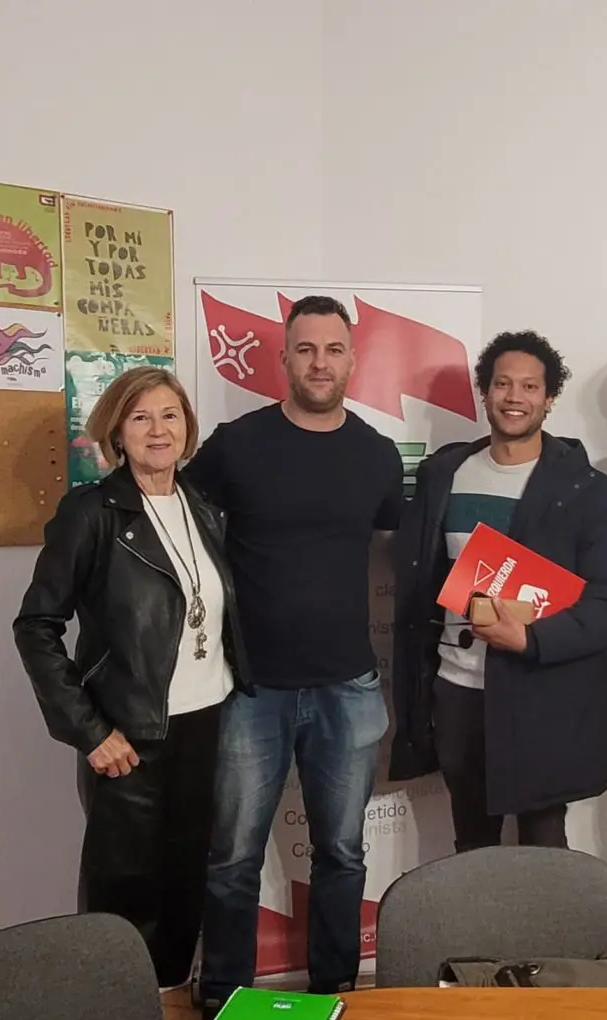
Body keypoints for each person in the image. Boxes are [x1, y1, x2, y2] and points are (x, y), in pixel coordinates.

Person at [184, 295, 404, 1016]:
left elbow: (401, 540)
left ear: (352, 359)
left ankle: (335, 992)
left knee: (342, 853)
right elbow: (170, 519)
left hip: (348, 686)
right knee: (232, 858)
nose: (319, 363)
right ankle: (224, 998)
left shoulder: (376, 455)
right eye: (305, 349)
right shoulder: (235, 445)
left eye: (333, 350)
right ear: (283, 358)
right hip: (252, 688)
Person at [12, 366, 251, 992]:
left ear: (187, 427)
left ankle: (169, 998)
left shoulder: (203, 506)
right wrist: (89, 731)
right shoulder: (91, 512)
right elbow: (36, 625)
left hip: (205, 721)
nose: (158, 429)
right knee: (124, 897)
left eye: (170, 415)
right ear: (117, 431)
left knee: (185, 885)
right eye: (140, 417)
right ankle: (117, 1002)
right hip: (128, 734)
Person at [390, 330, 607, 851]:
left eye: (529, 386)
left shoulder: (585, 491)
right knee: (472, 846)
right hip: (458, 691)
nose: (514, 397)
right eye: (502, 383)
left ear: (549, 398)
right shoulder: (444, 474)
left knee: (543, 849)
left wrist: (531, 640)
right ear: (485, 392)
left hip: (540, 694)